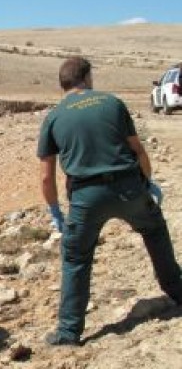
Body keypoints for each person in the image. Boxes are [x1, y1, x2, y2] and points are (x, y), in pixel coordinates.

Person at [37, 56, 182, 346]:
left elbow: (45, 175)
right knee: (153, 230)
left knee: (76, 258)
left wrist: (55, 211)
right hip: (128, 187)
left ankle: (68, 332)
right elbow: (138, 150)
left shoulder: (53, 117)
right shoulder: (112, 103)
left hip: (85, 198)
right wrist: (147, 183)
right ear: (87, 78)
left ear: (63, 84)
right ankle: (177, 291)